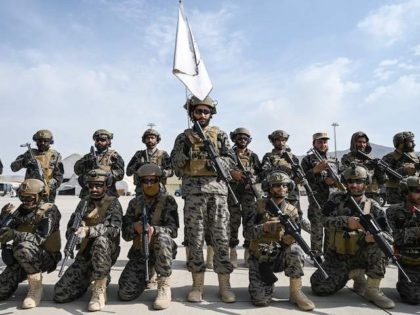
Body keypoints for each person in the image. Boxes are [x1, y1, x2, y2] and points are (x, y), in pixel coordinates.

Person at [170, 95, 236, 303]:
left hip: (217, 193)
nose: (202, 115)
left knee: (221, 239)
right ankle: (197, 285)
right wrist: (189, 150)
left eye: (206, 112)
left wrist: (215, 160)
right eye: (198, 111)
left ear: (211, 114)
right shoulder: (183, 137)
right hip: (193, 195)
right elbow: (175, 164)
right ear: (192, 113)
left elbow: (231, 160)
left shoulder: (220, 135)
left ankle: (224, 284)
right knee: (195, 239)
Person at [310, 164, 395, 309]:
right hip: (337, 257)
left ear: (366, 183)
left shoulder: (374, 207)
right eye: (350, 181)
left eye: (359, 181)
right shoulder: (335, 199)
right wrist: (345, 222)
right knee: (319, 286)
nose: (354, 185)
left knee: (381, 246)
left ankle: (372, 289)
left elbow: (389, 236)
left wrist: (374, 237)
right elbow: (322, 220)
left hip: (361, 255)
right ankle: (354, 274)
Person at [54, 169, 122, 312]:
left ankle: (99, 286)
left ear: (106, 185)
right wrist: (75, 232)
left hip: (105, 252)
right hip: (85, 254)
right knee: (60, 294)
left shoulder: (112, 203)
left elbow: (114, 229)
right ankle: (89, 277)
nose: (94, 189)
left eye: (98, 185)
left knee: (101, 241)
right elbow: (70, 228)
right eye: (91, 186)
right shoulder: (83, 203)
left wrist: (89, 231)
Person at [246, 171, 315, 310]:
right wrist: (263, 227)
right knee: (260, 300)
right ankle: (266, 285)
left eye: (284, 185)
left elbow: (299, 233)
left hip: (281, 255)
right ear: (269, 188)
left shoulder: (292, 210)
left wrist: (290, 240)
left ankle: (296, 292)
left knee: (296, 250)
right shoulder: (258, 206)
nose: (281, 188)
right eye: (277, 185)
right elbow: (247, 232)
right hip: (260, 258)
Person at [118, 164, 179, 309]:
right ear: (141, 183)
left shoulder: (168, 201)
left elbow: (173, 230)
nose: (149, 184)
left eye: (153, 180)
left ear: (159, 181)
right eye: (146, 181)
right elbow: (126, 235)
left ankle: (164, 284)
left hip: (161, 250)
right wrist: (135, 227)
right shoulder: (134, 203)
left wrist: (154, 230)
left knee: (163, 238)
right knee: (125, 294)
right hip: (140, 253)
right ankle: (149, 272)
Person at [0, 179, 61, 308]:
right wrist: (3, 218)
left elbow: (40, 238)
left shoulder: (49, 211)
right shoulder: (21, 210)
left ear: (40, 196)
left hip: (46, 256)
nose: (25, 201)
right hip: (22, 257)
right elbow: (4, 233)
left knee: (23, 247)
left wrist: (15, 234)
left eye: (30, 198)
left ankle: (36, 286)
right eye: (22, 197)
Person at [261, 130, 310, 232]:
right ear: (273, 141)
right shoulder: (268, 157)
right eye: (278, 140)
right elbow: (264, 173)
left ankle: (295, 241)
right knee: (275, 216)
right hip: (276, 192)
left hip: (291, 192)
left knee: (295, 218)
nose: (281, 143)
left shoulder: (293, 157)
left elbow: (298, 175)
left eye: (283, 140)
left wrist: (299, 177)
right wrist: (281, 167)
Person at [301, 132, 339, 260]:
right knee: (317, 228)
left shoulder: (334, 159)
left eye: (325, 142)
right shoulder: (307, 160)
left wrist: (333, 181)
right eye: (320, 142)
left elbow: (340, 178)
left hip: (332, 200)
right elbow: (302, 178)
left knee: (330, 228)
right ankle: (316, 255)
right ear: (314, 144)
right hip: (316, 199)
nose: (323, 144)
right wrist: (315, 170)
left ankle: (329, 255)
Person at [228, 127, 261, 267]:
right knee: (233, 221)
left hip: (248, 193)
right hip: (233, 192)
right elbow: (222, 169)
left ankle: (248, 250)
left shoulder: (253, 156)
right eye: (239, 137)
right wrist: (232, 174)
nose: (242, 140)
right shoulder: (229, 155)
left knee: (249, 222)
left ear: (249, 140)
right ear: (234, 139)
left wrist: (253, 180)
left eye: (245, 138)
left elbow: (261, 173)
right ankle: (233, 251)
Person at [386, 176, 420, 304]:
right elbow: (390, 236)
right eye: (417, 190)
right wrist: (415, 232)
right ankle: (405, 285)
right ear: (406, 192)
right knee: (414, 298)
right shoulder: (393, 211)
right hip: (409, 261)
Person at [11, 129, 64, 202]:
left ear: (50, 142)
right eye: (40, 141)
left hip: (46, 193)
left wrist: (49, 186)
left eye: (45, 141)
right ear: (36, 142)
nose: (42, 143)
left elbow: (59, 176)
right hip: (29, 194)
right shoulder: (30, 153)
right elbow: (13, 168)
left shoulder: (55, 156)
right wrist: (24, 161)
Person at [74, 129, 125, 198]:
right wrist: (85, 163)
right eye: (97, 140)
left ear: (108, 141)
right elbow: (77, 170)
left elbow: (120, 174)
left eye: (102, 140)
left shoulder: (114, 156)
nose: (99, 142)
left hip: (107, 194)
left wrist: (108, 175)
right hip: (88, 194)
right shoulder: (88, 156)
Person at [341, 131, 386, 204]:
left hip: (373, 195)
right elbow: (346, 175)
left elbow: (382, 180)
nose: (362, 145)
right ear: (354, 143)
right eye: (359, 142)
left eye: (364, 142)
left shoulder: (372, 159)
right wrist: (366, 166)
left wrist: (380, 169)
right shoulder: (347, 158)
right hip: (356, 194)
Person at [126, 129, 173, 195]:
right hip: (141, 191)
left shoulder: (163, 154)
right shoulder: (139, 155)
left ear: (157, 140)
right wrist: (138, 166)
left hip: (159, 190)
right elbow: (128, 172)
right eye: (148, 138)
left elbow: (171, 172)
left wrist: (160, 170)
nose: (150, 140)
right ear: (144, 140)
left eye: (152, 138)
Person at [382, 131, 419, 204]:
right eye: (410, 142)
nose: (413, 144)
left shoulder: (415, 157)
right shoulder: (389, 158)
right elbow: (385, 177)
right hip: (397, 196)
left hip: (414, 194)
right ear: (401, 144)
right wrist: (405, 170)